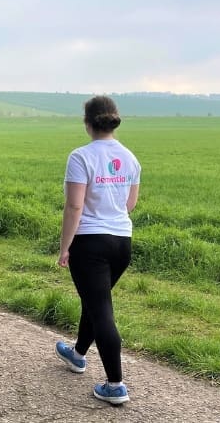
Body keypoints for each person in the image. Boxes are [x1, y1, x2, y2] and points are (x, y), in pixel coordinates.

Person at [55, 95, 141, 405]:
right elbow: (129, 204)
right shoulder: (130, 158)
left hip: (90, 242)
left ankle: (115, 385)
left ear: (87, 123)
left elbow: (74, 206)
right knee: (95, 301)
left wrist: (65, 246)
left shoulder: (81, 157)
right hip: (121, 243)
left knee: (101, 310)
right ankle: (77, 354)